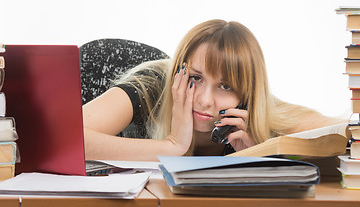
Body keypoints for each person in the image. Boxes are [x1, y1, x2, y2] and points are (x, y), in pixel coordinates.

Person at [83, 19, 344, 161]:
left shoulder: (259, 110)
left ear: (247, 95)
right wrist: (172, 146)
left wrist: (256, 155)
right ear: (179, 73)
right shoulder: (152, 84)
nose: (205, 100)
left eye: (225, 85)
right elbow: (65, 137)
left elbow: (343, 132)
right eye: (195, 78)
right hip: (93, 87)